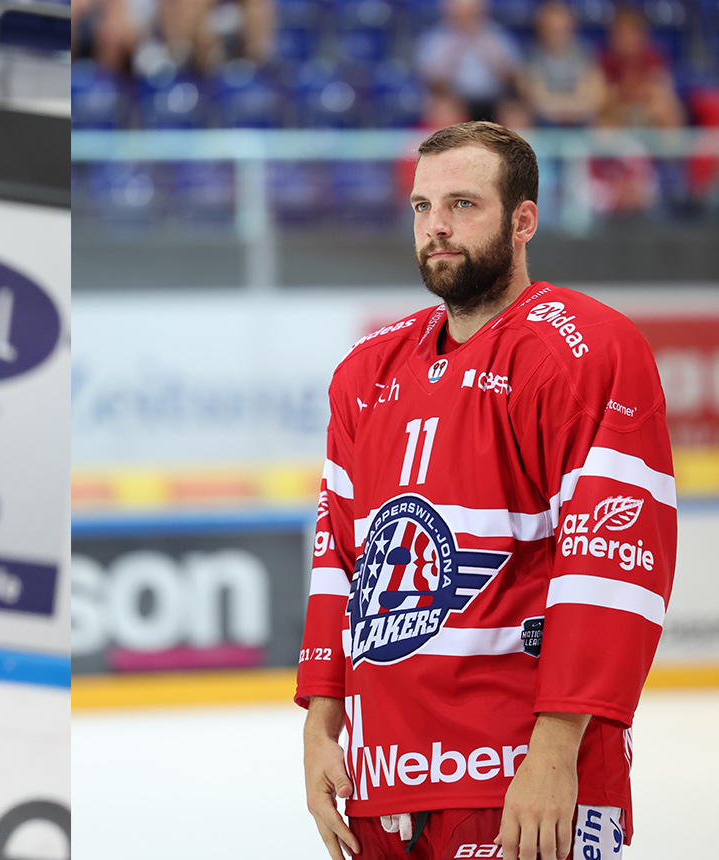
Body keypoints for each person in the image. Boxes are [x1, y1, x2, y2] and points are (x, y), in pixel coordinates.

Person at [298, 121, 675, 860]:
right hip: (384, 782)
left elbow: (611, 566)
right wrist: (321, 722)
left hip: (517, 784)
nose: (436, 226)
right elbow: (338, 556)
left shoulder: (588, 349)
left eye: (463, 204)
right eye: (421, 206)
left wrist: (557, 752)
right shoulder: (366, 374)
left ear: (523, 219)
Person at [415, 0, 523, 122]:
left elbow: (513, 76)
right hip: (453, 99)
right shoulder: (434, 40)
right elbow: (432, 82)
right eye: (460, 13)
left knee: (514, 115)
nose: (465, 18)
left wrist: (489, 54)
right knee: (443, 111)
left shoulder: (497, 36)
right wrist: (453, 56)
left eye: (470, 13)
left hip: (495, 100)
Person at [522, 1, 605, 127]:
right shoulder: (530, 55)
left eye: (561, 30)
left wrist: (572, 109)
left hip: (582, 118)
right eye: (551, 30)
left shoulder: (585, 52)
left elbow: (596, 93)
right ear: (541, 28)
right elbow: (534, 97)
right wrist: (562, 109)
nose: (557, 35)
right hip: (544, 121)